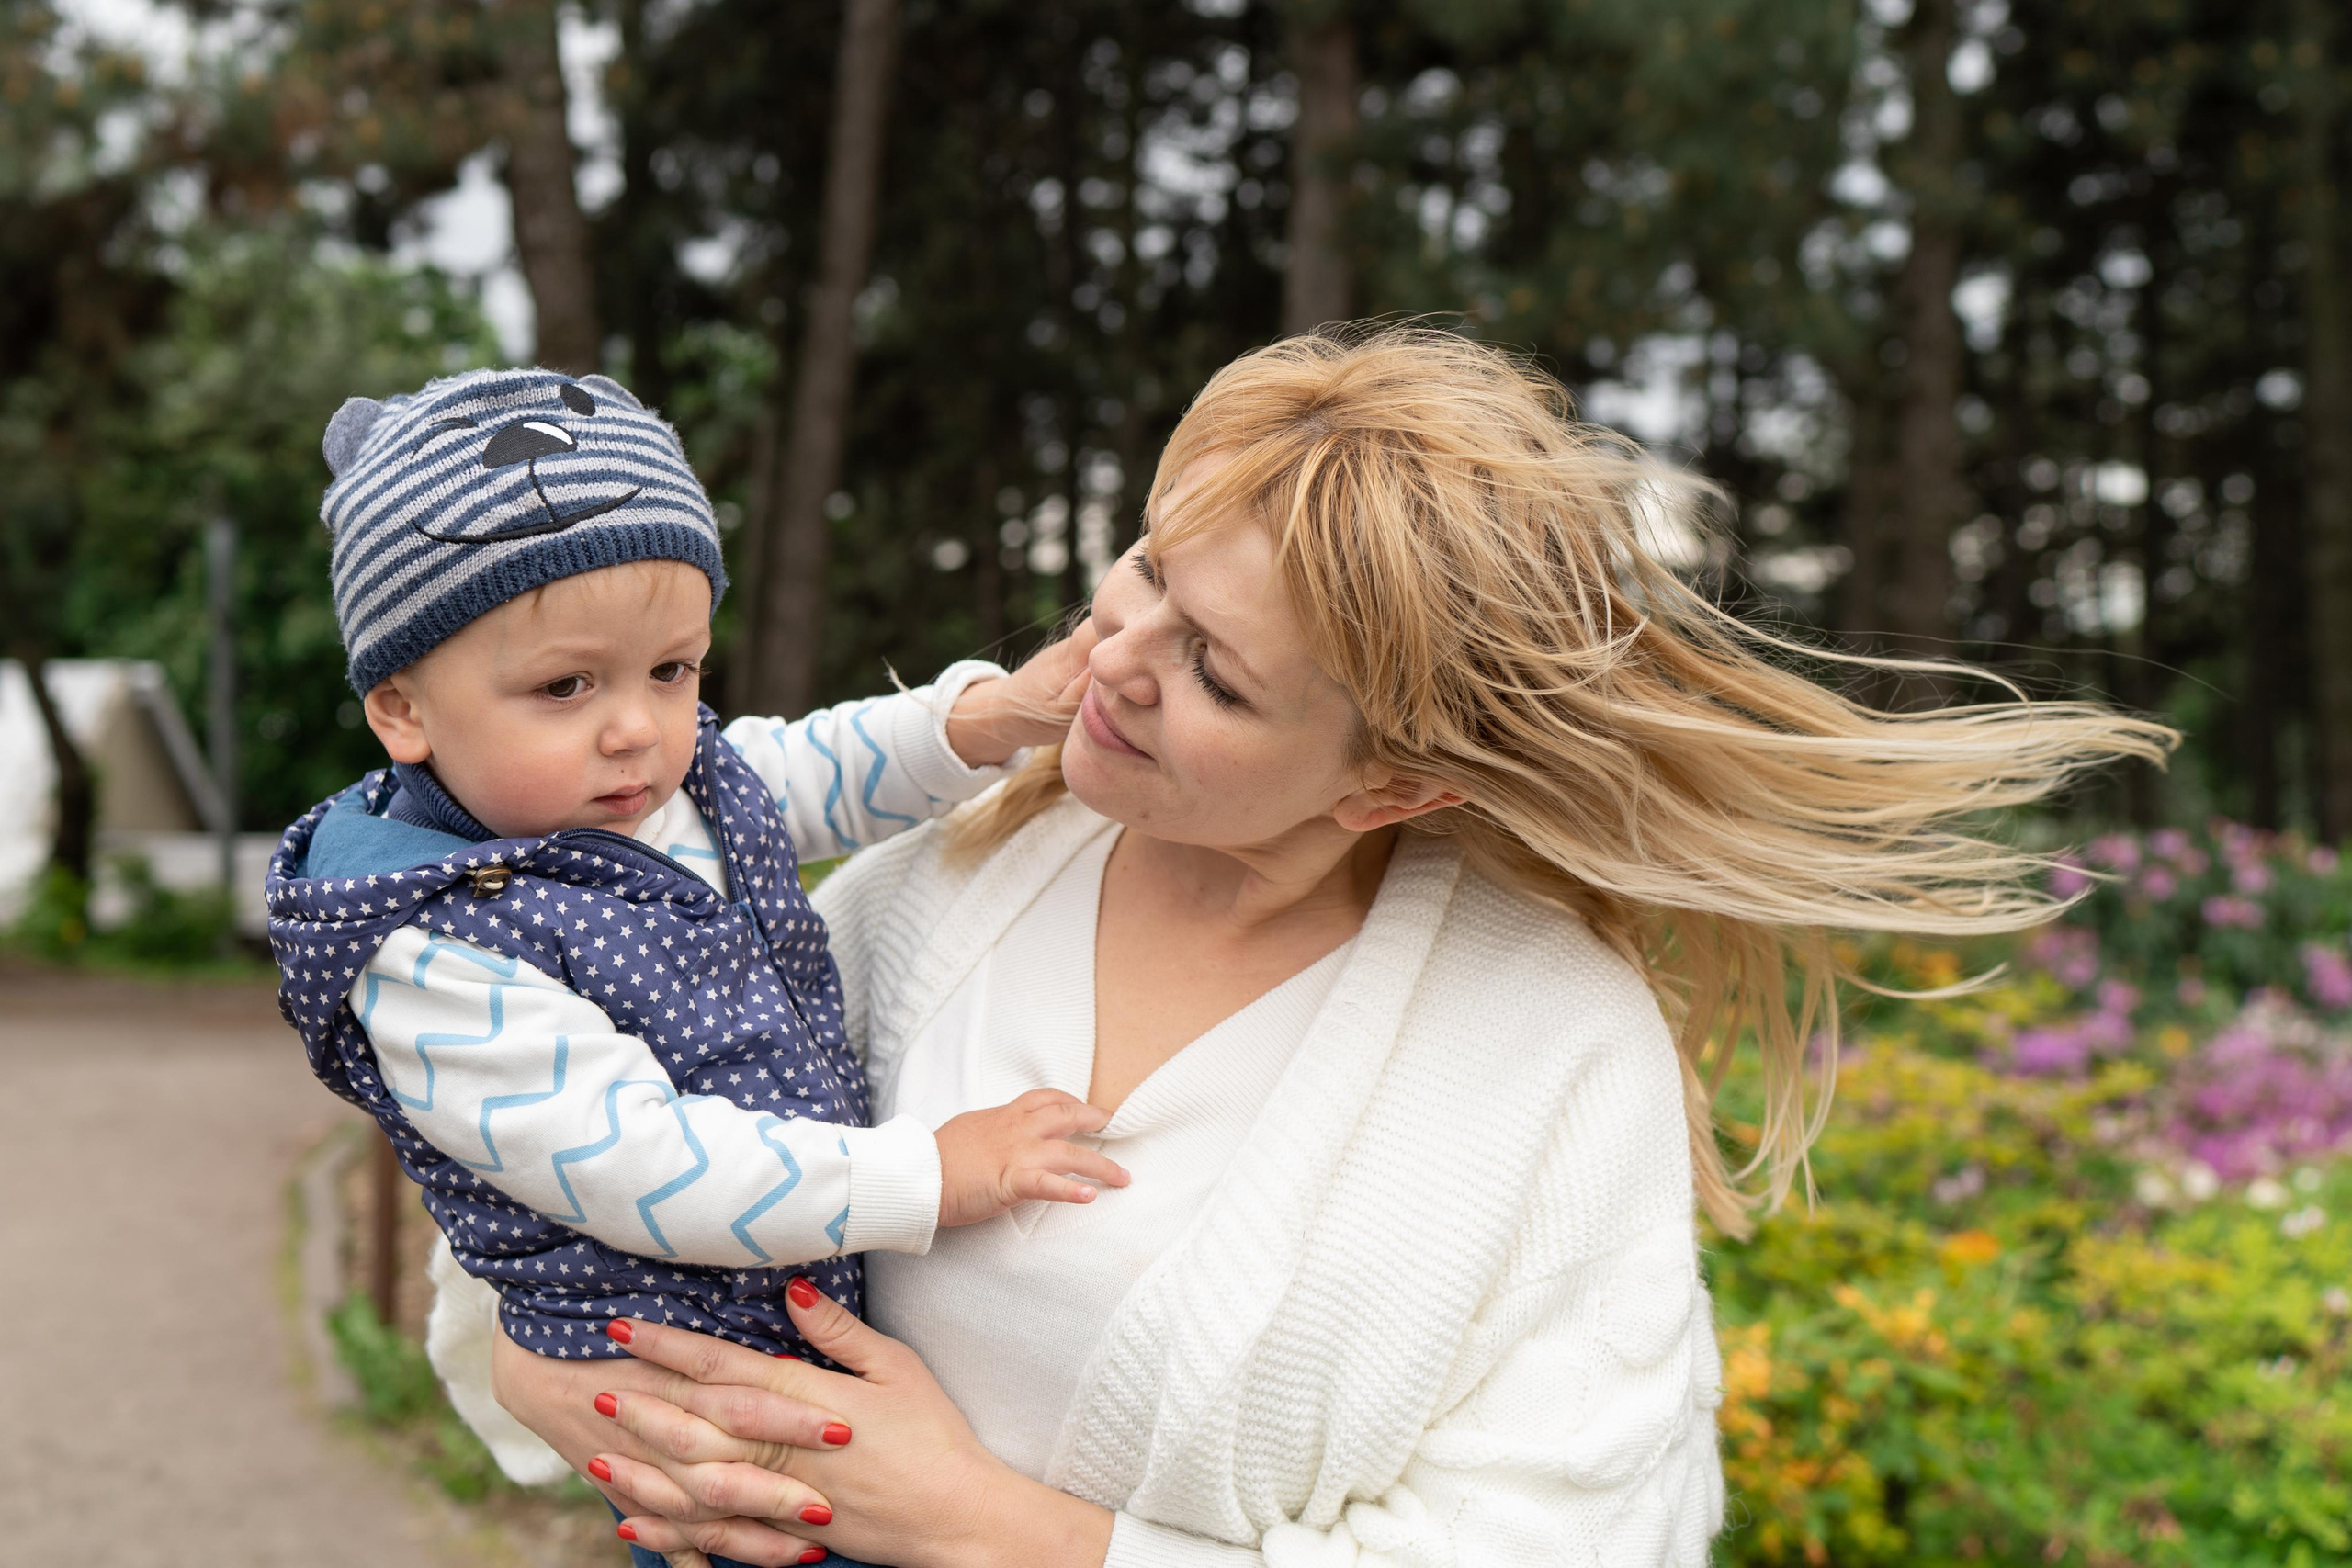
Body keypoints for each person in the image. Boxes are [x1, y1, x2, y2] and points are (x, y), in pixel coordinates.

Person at [469, 327, 2174, 1568]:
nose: (1114, 653)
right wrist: (548, 1385)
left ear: (1393, 780)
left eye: (1216, 672)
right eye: (1143, 570)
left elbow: (1569, 1540)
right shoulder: (933, 885)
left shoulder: (1550, 1051)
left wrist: (1008, 1536)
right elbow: (527, 1143)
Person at [263, 367, 1118, 1566]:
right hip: (690, 1391)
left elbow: (814, 764)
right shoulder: (436, 951)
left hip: (792, 1317)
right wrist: (930, 1174)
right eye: (567, 686)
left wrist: (972, 723)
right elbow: (640, 1167)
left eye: (674, 670)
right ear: (403, 711)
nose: (639, 727)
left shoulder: (666, 784)